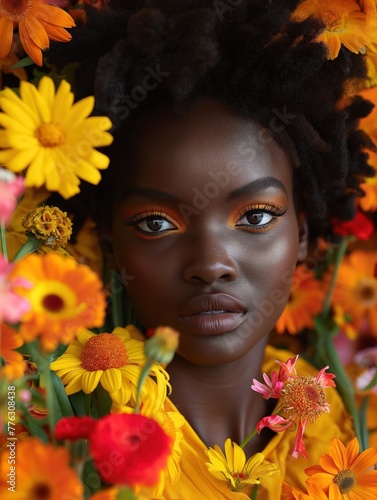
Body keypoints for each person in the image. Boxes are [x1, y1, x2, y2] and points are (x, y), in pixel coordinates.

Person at [45, 0, 374, 498]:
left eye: (257, 217)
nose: (211, 265)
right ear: (111, 243)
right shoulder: (46, 443)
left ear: (302, 233)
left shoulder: (355, 430)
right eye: (157, 223)